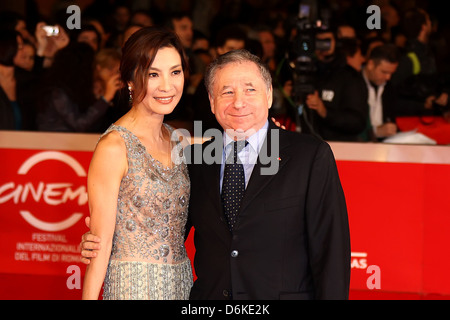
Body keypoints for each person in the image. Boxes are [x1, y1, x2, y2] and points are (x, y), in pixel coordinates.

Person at [82, 49, 351, 300]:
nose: (239, 102)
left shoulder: (309, 156)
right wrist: (105, 238)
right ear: (211, 101)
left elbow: (331, 252)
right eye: (227, 92)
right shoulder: (194, 158)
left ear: (269, 95)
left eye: (250, 90)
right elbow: (166, 227)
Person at [81, 26, 193, 300]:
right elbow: (100, 244)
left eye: (175, 72)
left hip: (181, 283)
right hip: (133, 286)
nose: (167, 86)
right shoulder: (114, 147)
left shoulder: (178, 140)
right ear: (130, 79)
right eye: (153, 74)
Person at [36, 42, 120, 132]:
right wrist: (105, 99)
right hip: (53, 143)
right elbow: (80, 124)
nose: (94, 70)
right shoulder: (58, 93)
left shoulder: (77, 90)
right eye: (92, 66)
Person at [306, 38, 369, 141]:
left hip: (341, 145)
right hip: (308, 143)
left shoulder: (352, 79)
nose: (362, 60)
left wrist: (325, 112)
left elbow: (358, 122)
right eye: (359, 55)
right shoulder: (312, 74)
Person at [361, 44, 400, 141]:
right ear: (370, 65)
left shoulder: (389, 87)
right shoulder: (352, 85)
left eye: (391, 73)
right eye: (384, 72)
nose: (388, 77)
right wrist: (375, 131)